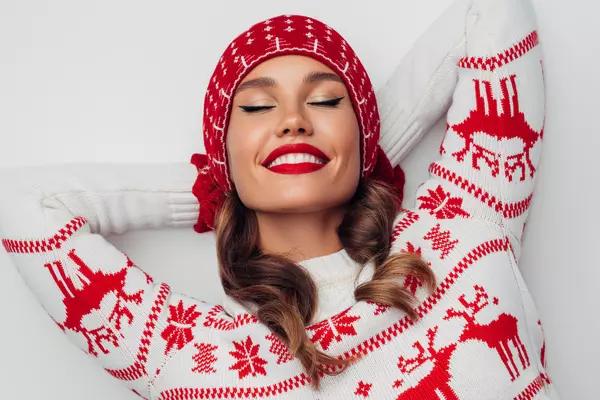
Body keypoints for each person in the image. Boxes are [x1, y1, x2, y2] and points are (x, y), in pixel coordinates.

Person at [0, 0, 559, 398]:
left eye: (324, 100)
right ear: (224, 151)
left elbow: (494, 14)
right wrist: (217, 189)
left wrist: (365, 152)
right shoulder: (199, 362)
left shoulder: (465, 226)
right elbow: (25, 203)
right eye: (257, 108)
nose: (293, 120)